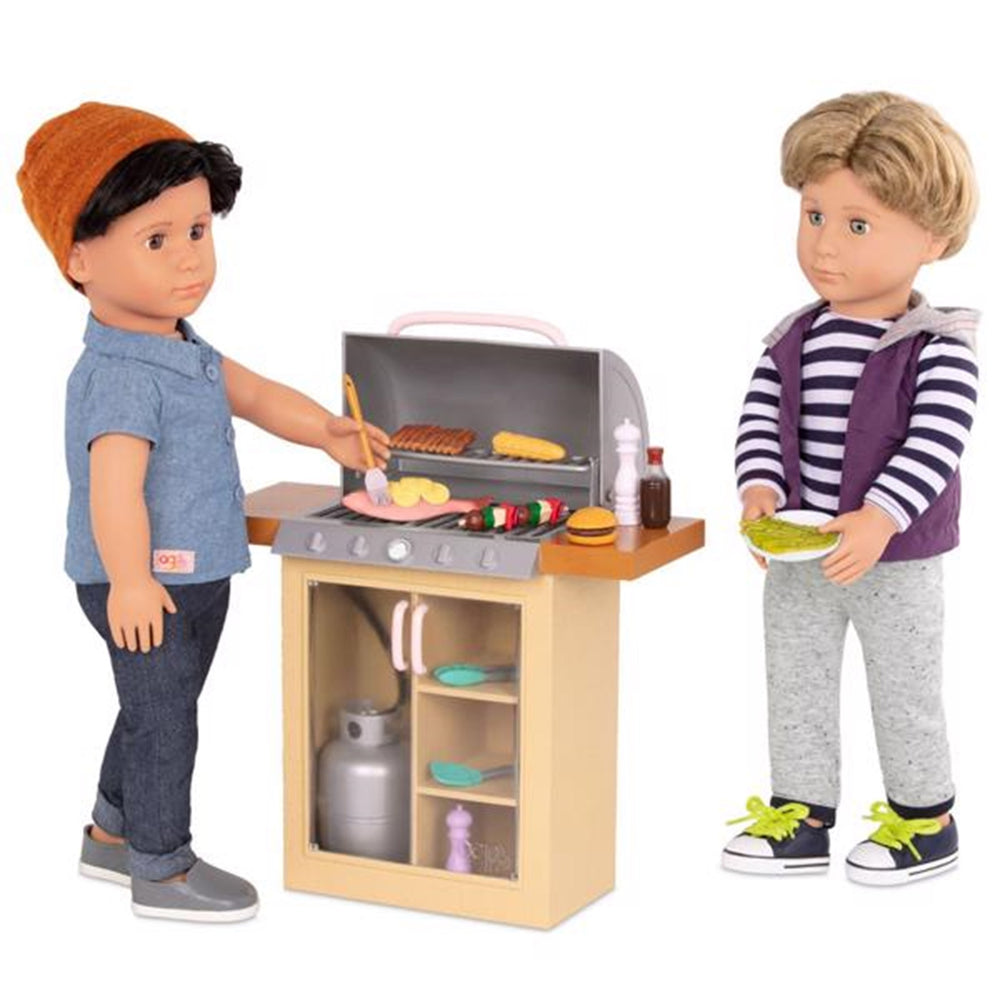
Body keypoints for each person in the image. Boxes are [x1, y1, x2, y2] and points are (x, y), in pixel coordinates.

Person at [18, 102, 390, 921]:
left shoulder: (180, 345)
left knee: (159, 704)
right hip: (146, 580)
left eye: (197, 230)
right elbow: (113, 488)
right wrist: (130, 580)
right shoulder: (123, 376)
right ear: (79, 258)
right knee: (166, 721)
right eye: (156, 240)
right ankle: (161, 867)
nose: (189, 257)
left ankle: (112, 833)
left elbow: (252, 394)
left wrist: (325, 430)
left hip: (194, 572)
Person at [721, 92, 978, 885]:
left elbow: (938, 441)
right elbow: (761, 417)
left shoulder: (939, 346)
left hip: (894, 561)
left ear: (932, 239)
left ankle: (925, 820)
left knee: (904, 688)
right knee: (795, 682)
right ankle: (801, 814)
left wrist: (879, 518)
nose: (824, 244)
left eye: (857, 225)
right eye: (814, 216)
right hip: (804, 552)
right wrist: (759, 489)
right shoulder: (793, 339)